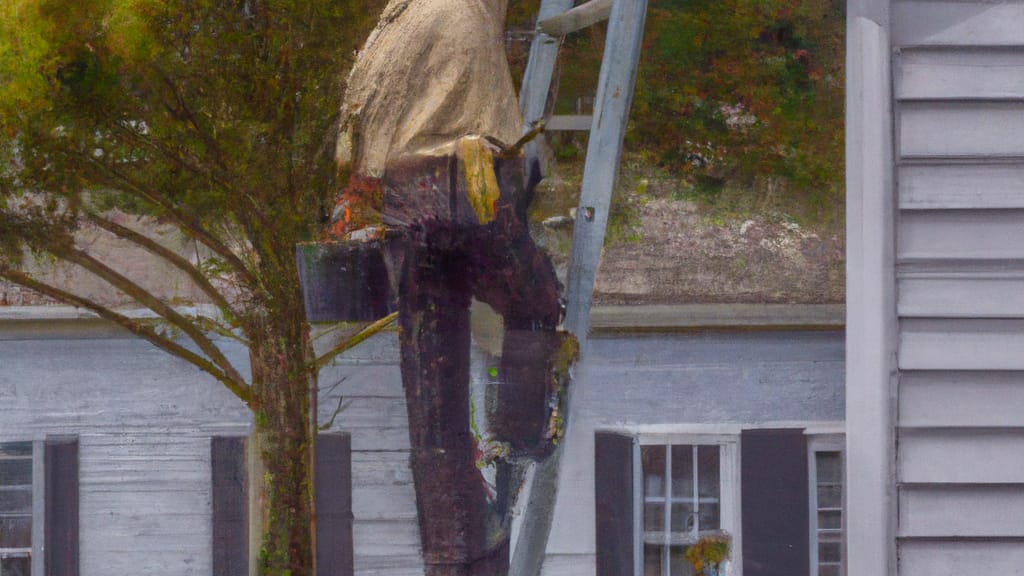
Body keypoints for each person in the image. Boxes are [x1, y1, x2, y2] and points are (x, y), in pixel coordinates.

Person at [333, 1, 574, 574]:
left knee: (432, 387)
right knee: (536, 305)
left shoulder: (387, 32)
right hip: (469, 190)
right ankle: (520, 433)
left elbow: (353, 147)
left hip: (400, 208)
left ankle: (454, 549)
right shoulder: (461, 14)